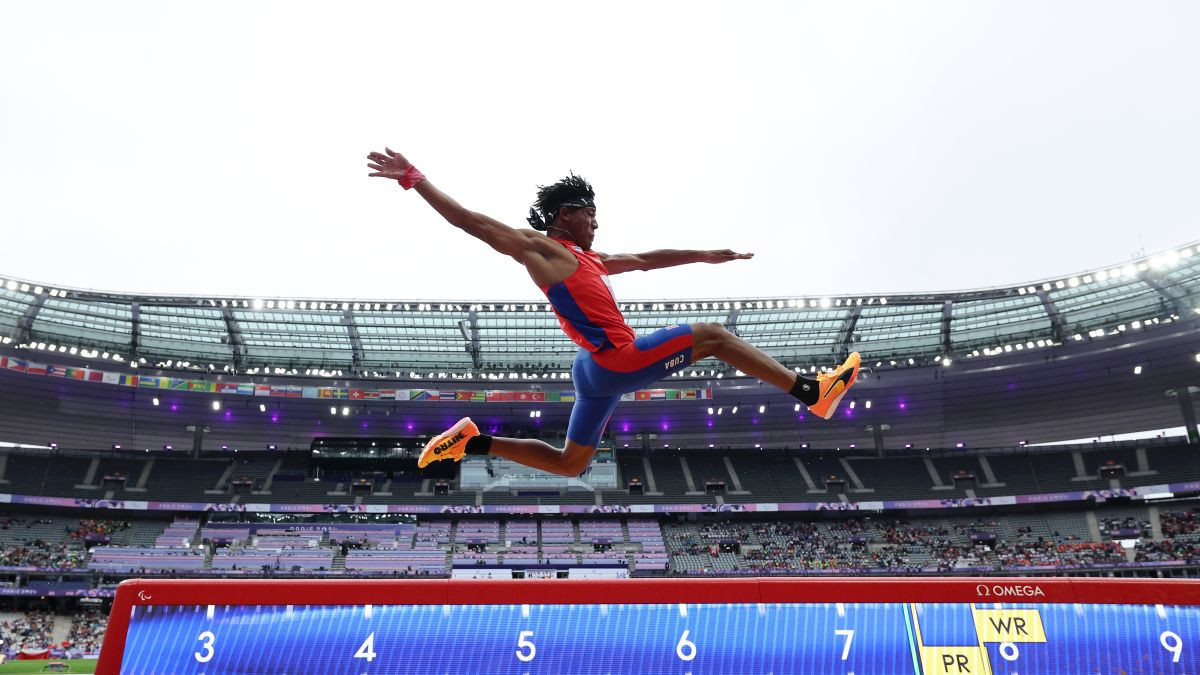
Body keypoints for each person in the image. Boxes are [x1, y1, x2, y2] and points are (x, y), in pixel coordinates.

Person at [368, 148, 860, 477]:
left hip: (591, 370)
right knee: (712, 335)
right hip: (612, 359)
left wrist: (707, 254)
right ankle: (812, 392)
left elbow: (647, 261)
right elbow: (471, 222)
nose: (597, 224)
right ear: (566, 214)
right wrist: (415, 179)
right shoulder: (546, 250)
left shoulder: (591, 260)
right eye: (590, 215)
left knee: (570, 464)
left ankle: (474, 443)